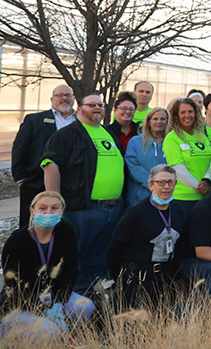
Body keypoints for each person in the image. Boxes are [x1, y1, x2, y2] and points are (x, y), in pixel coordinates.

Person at [41, 92, 124, 292]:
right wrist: (55, 203)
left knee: (99, 259)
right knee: (75, 257)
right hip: (82, 209)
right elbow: (50, 165)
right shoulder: (66, 135)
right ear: (80, 108)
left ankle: (89, 299)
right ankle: (67, 298)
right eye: (91, 105)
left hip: (112, 208)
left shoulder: (108, 133)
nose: (97, 108)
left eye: (100, 105)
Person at [0, 191, 95, 338]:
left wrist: (58, 302)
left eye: (55, 208)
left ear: (62, 211)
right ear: (32, 212)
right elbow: (13, 286)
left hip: (53, 297)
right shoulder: (16, 242)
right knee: (49, 329)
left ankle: (67, 339)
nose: (48, 213)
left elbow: (70, 272)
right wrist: (43, 309)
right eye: (43, 208)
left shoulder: (67, 232)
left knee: (85, 306)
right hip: (19, 306)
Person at [107, 165, 185, 308]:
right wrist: (118, 276)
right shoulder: (135, 212)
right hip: (139, 277)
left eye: (170, 182)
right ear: (150, 185)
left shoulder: (179, 211)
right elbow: (116, 248)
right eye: (161, 183)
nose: (166, 187)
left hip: (167, 276)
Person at [13, 85, 76, 228]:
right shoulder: (34, 120)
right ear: (52, 99)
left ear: (73, 98)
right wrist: (21, 178)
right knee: (32, 226)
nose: (64, 98)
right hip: (36, 182)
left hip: (73, 184)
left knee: (65, 225)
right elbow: (20, 149)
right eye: (59, 95)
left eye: (68, 95)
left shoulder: (81, 121)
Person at [163, 98, 211, 221]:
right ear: (176, 115)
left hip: (204, 197)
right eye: (183, 112)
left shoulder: (201, 135)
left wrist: (207, 180)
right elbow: (178, 169)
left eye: (190, 112)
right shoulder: (172, 138)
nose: (187, 115)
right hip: (182, 198)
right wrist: (199, 187)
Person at [124, 107, 169, 207]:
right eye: (155, 119)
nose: (159, 122)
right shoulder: (135, 141)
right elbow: (133, 166)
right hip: (139, 197)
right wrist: (154, 183)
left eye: (162, 119)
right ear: (148, 121)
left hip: (165, 196)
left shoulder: (171, 142)